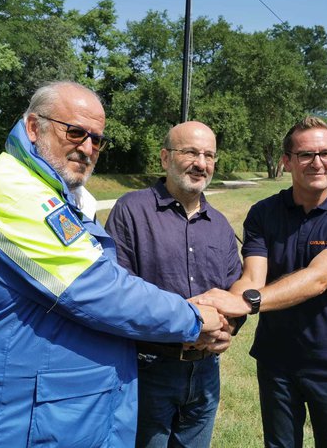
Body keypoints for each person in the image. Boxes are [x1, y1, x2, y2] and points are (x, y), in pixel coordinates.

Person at [0, 81, 224, 447]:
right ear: (35, 127)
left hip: (43, 409)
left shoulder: (51, 191)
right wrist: (193, 318)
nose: (87, 148)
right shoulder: (11, 191)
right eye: (76, 132)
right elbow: (96, 289)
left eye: (97, 139)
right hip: (8, 418)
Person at [197, 116, 327, 447]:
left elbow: (318, 278)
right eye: (306, 155)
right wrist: (225, 321)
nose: (317, 162)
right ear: (287, 161)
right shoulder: (264, 213)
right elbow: (253, 276)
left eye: (326, 153)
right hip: (276, 361)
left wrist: (246, 303)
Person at [105, 121, 242, 448]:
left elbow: (232, 290)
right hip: (149, 369)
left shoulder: (220, 225)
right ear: (165, 158)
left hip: (206, 372)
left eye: (209, 155)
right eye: (191, 152)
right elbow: (116, 291)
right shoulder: (132, 210)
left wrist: (230, 329)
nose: (201, 163)